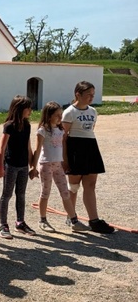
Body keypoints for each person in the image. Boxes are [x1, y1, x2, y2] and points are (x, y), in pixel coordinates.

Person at [62, 81, 114, 233]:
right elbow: (63, 137)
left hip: (90, 148)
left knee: (90, 185)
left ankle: (94, 220)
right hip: (75, 149)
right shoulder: (69, 112)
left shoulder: (93, 111)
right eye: (88, 95)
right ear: (78, 94)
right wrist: (64, 158)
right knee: (73, 187)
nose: (91, 97)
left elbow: (90, 130)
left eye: (93, 95)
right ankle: (71, 217)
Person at [32, 101, 89, 233]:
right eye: (57, 115)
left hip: (58, 165)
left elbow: (62, 148)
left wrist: (65, 162)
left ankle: (74, 220)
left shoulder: (61, 130)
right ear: (49, 115)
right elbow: (38, 149)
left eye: (61, 115)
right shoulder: (42, 130)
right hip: (46, 164)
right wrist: (33, 167)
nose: (60, 117)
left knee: (65, 192)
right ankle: (43, 220)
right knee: (45, 192)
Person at [0, 95, 37, 239]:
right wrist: (0, 167)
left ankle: (20, 222)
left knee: (21, 194)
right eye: (28, 108)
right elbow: (2, 147)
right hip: (11, 165)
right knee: (6, 195)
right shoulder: (9, 125)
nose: (30, 111)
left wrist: (33, 165)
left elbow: (28, 146)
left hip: (23, 165)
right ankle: (3, 225)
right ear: (20, 109)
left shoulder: (27, 125)